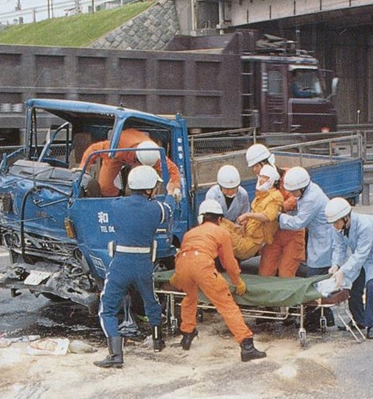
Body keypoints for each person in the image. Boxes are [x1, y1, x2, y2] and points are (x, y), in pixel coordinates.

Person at [170, 199, 266, 362]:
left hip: (182, 265)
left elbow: (183, 254)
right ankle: (246, 345)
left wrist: (178, 276)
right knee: (227, 306)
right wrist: (237, 282)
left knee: (189, 299)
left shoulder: (190, 233)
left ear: (202, 218)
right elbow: (229, 263)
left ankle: (187, 335)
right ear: (220, 219)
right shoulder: (222, 233)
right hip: (202, 265)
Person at [95, 165, 172, 369]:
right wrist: (171, 195)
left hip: (120, 262)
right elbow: (170, 210)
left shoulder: (117, 205)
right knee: (150, 301)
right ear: (149, 189)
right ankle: (158, 340)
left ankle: (115, 354)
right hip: (144, 263)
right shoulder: (159, 208)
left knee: (108, 308)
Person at [325, 198, 373, 340]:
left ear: (346, 218)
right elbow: (339, 247)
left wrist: (343, 271)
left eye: (336, 222)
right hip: (361, 257)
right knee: (354, 287)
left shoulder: (365, 224)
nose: (334, 226)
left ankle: (371, 325)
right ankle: (359, 319)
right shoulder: (338, 228)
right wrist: (336, 265)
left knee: (372, 286)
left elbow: (362, 253)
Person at [278, 166, 336, 328]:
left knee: (314, 280)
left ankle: (315, 319)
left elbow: (299, 222)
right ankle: (323, 317)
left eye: (294, 192)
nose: (293, 196)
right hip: (320, 239)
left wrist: (278, 218)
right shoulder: (309, 191)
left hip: (324, 242)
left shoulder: (312, 198)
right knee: (319, 280)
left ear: (302, 188)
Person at [247, 144, 306, 278]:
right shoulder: (261, 184)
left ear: (265, 162)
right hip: (272, 234)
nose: (255, 171)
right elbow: (259, 205)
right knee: (265, 273)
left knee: (286, 274)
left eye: (256, 166)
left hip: (292, 233)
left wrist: (275, 208)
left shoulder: (290, 176)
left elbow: (295, 199)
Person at [78, 129, 181, 197]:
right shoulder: (117, 148)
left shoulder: (154, 154)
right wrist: (82, 169)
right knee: (105, 187)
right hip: (118, 157)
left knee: (145, 186)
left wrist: (176, 187)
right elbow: (93, 149)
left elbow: (173, 170)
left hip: (136, 155)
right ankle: (119, 197)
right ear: (137, 159)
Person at [221, 164, 284, 260]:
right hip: (246, 233)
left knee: (223, 232)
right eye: (261, 176)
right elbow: (255, 215)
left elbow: (268, 216)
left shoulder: (276, 197)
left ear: (272, 181)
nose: (261, 179)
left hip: (254, 241)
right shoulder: (261, 195)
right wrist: (246, 222)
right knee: (220, 222)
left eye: (265, 177)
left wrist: (247, 215)